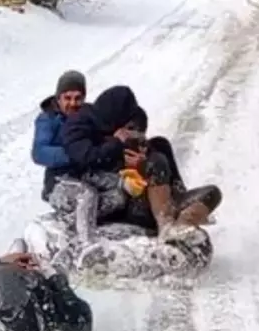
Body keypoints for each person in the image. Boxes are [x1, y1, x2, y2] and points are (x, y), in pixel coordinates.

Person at [61, 85, 222, 239]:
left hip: (160, 197)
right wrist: (123, 155)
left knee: (212, 192)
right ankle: (166, 226)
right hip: (132, 202)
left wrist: (141, 154)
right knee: (156, 162)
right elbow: (87, 160)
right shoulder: (84, 131)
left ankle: (182, 223)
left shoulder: (145, 146)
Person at [31, 70, 89, 201]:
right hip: (58, 180)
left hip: (84, 175)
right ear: (58, 98)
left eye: (78, 98)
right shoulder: (48, 119)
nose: (73, 103)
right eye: (67, 98)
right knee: (86, 198)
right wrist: (74, 153)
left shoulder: (88, 115)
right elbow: (39, 152)